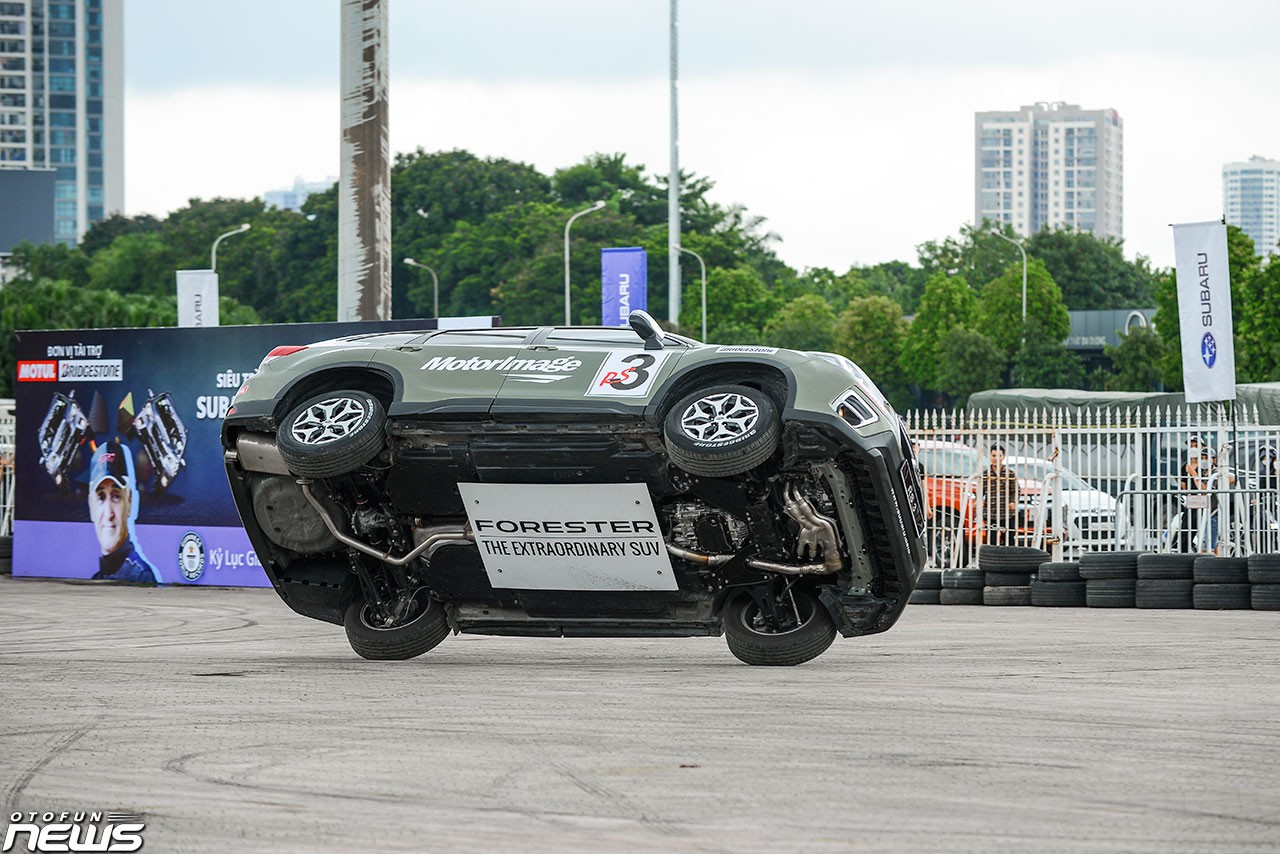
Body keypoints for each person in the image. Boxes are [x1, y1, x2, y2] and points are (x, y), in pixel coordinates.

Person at [88, 440, 160, 583]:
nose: (109, 514)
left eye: (116, 497)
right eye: (101, 498)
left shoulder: (140, 577)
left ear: (130, 502)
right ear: (91, 506)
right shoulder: (97, 578)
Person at [980, 444, 1021, 546]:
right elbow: (980, 490)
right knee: (992, 541)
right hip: (991, 513)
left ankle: (1009, 560)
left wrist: (1013, 502)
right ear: (990, 456)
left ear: (1003, 457)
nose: (996, 458)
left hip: (1007, 513)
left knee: (1009, 540)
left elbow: (1016, 490)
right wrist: (978, 500)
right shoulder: (985, 474)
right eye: (993, 456)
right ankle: (994, 560)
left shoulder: (1009, 474)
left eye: (999, 456)